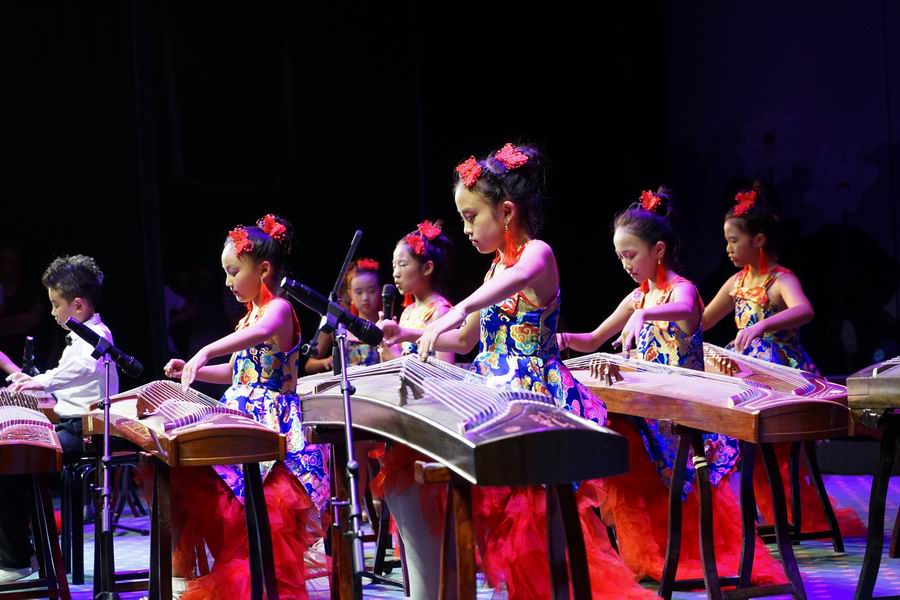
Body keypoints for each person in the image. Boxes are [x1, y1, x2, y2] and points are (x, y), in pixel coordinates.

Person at [388, 143, 653, 598]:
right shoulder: (494, 271)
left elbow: (502, 289)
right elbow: (469, 341)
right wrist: (406, 333)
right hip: (496, 394)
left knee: (535, 523)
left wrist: (453, 311)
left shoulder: (537, 256)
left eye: (472, 216)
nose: (466, 228)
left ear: (506, 212)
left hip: (536, 401)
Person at [162, 214, 326, 599]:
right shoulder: (250, 315)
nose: (227, 281)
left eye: (233, 271)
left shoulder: (280, 310)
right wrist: (192, 367)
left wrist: (204, 349)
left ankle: (261, 587)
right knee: (228, 511)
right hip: (241, 413)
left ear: (263, 269)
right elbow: (238, 374)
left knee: (265, 517)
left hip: (271, 424)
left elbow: (262, 334)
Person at [702, 184, 865, 537]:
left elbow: (804, 310)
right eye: (727, 240)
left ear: (758, 241)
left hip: (780, 375)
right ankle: (769, 514)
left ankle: (793, 514)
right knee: (749, 446)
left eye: (733, 240)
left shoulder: (781, 280)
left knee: (781, 450)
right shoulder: (736, 282)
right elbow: (701, 321)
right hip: (748, 374)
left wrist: (762, 324)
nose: (728, 247)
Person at [1, 255, 119, 582]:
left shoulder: (99, 335)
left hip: (86, 430)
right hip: (69, 424)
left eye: (56, 305)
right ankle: (28, 551)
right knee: (13, 458)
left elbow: (83, 368)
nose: (53, 313)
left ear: (77, 305)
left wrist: (42, 381)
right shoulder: (80, 337)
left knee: (13, 464)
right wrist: (37, 387)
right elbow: (69, 375)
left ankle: (16, 561)